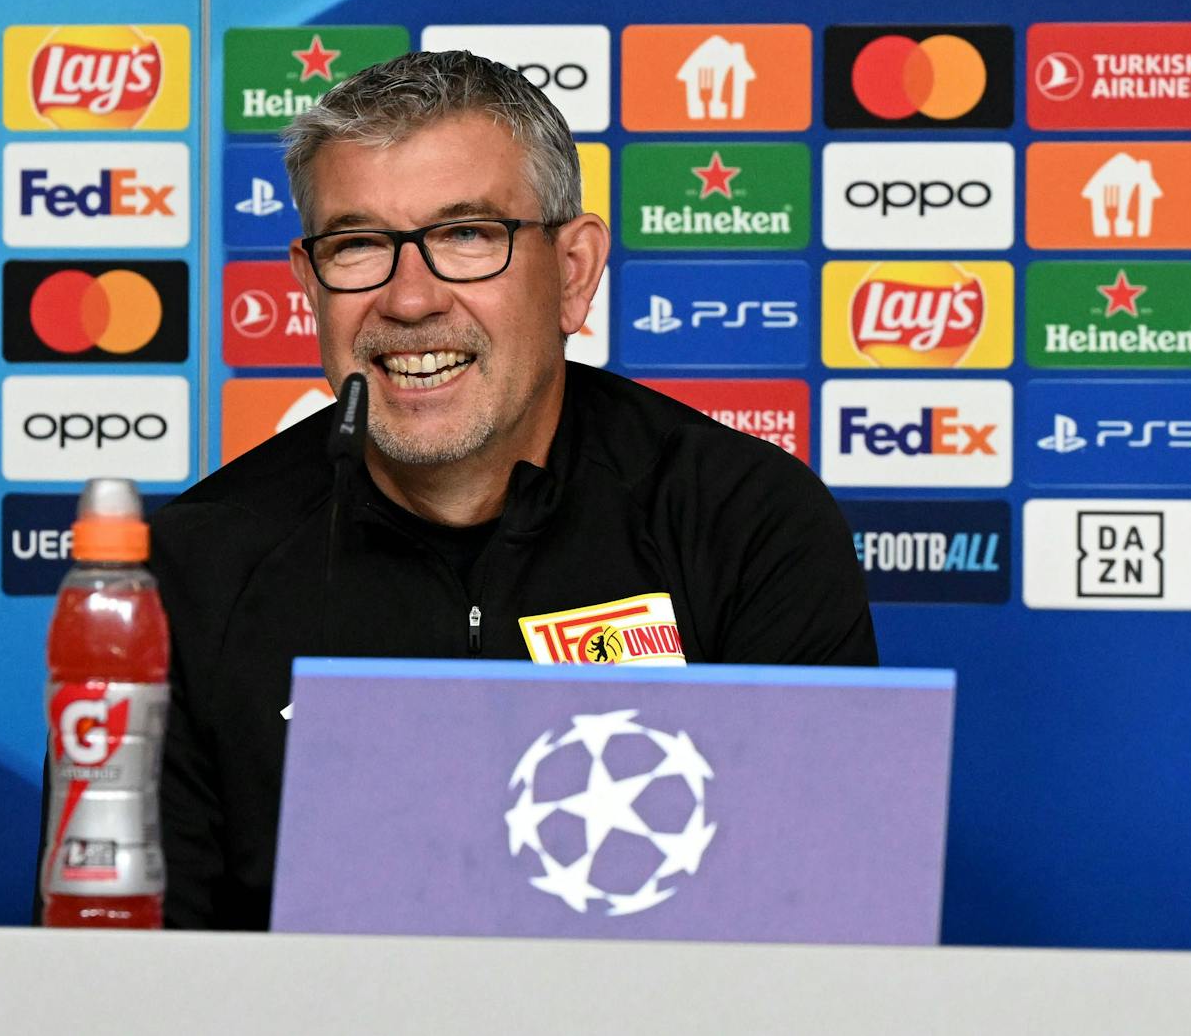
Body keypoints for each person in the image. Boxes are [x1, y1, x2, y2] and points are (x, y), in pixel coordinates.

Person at [148, 50, 875, 930]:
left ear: (573, 272)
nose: (409, 300)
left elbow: (824, 939)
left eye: (467, 236)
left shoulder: (745, 523)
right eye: (359, 245)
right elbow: (130, 977)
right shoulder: (199, 566)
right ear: (309, 281)